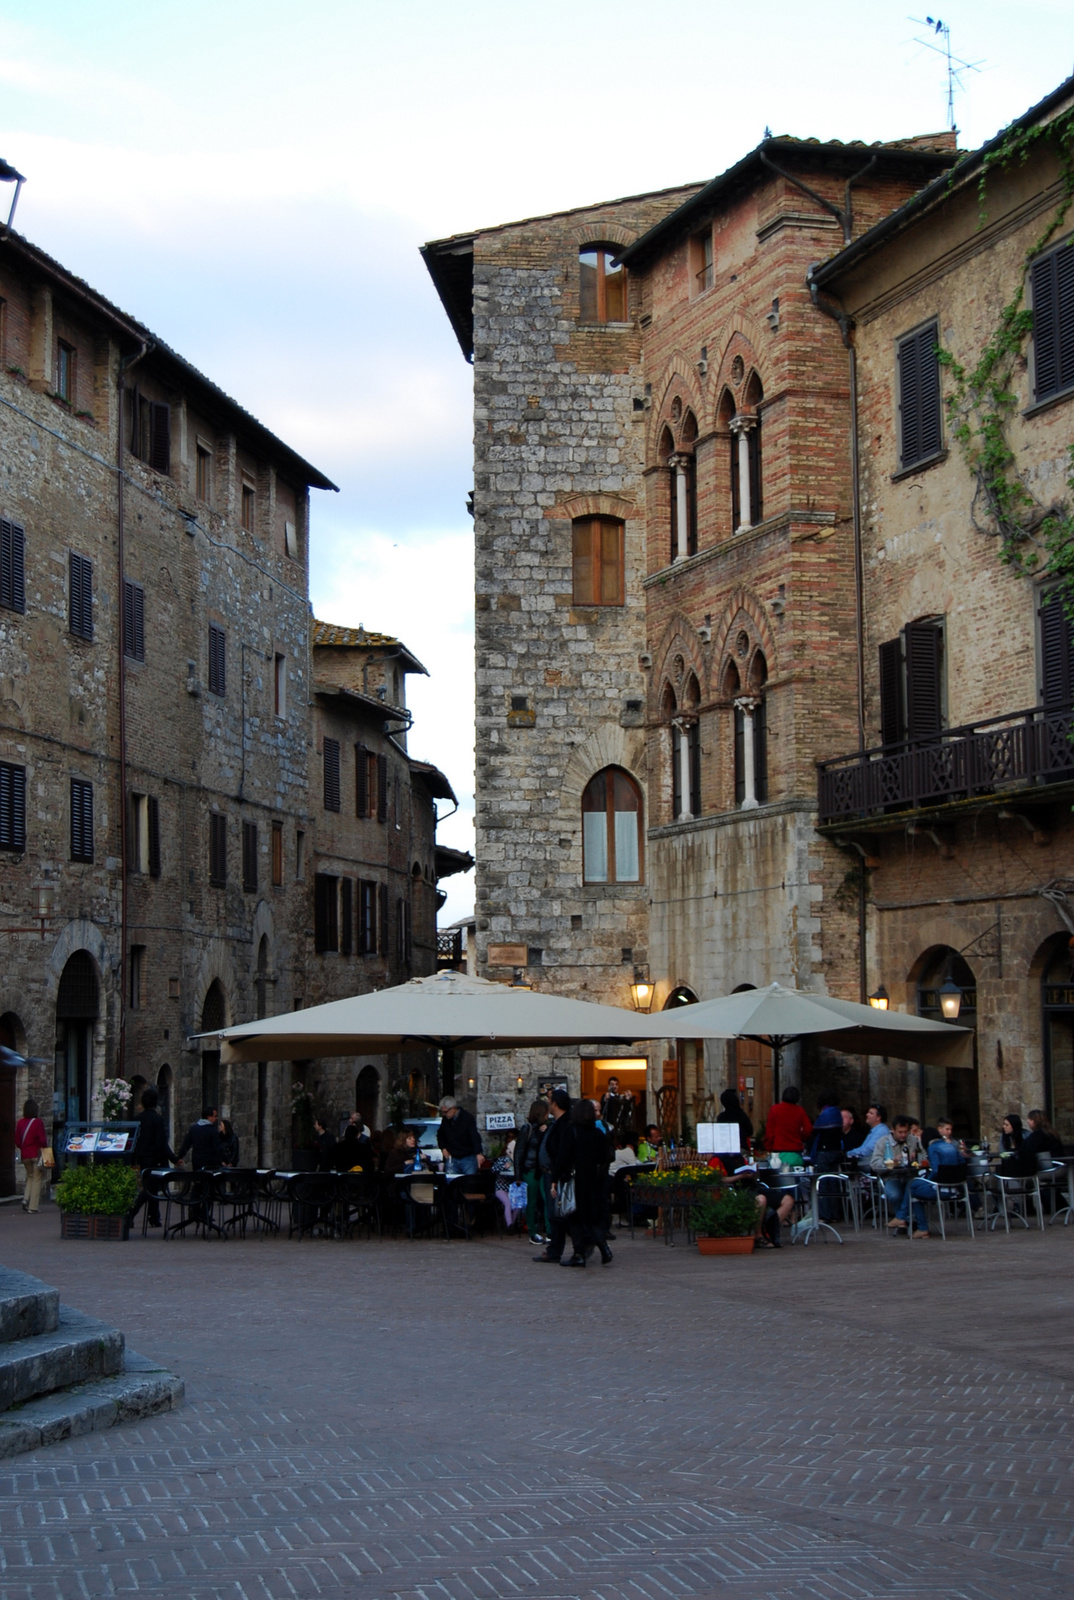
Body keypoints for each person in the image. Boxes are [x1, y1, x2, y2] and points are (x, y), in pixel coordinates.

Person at [553, 1097, 614, 1267]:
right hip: (592, 1180)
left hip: (575, 1180)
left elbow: (562, 1157)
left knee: (574, 1218)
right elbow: (604, 1157)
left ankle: (579, 1254)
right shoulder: (597, 1134)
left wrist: (554, 1178)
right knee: (591, 1218)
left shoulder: (572, 1131)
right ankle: (604, 1249)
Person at [534, 1088, 572, 1263]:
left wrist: (556, 1178)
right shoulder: (555, 1124)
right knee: (554, 1213)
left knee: (558, 1213)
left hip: (556, 1175)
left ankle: (556, 1249)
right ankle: (554, 1249)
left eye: (550, 1101)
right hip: (550, 1173)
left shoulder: (565, 1125)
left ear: (555, 1104)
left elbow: (561, 1153)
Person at [129, 1087, 175, 1229]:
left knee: (152, 1188)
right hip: (155, 1159)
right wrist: (173, 1158)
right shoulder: (157, 1120)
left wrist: (133, 1159)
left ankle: (154, 1217)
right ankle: (131, 1213)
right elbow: (162, 1143)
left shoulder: (137, 1120)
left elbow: (133, 1141)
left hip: (142, 1158)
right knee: (149, 1189)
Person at [873, 1115, 926, 1232]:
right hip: (892, 1176)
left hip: (910, 1175)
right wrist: (891, 1162)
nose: (903, 1135)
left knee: (913, 1189)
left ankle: (902, 1219)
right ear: (893, 1130)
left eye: (905, 1132)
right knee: (895, 1194)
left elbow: (924, 1158)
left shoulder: (913, 1140)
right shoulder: (883, 1142)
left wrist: (916, 1157)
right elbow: (874, 1164)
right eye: (900, 1132)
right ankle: (908, 1220)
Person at [513, 1100, 549, 1245]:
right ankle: (532, 1231)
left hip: (541, 1169)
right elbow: (519, 1153)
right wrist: (518, 1175)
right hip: (530, 1169)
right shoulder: (527, 1129)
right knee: (532, 1202)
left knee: (547, 1200)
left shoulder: (547, 1128)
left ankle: (549, 1230)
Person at [15, 1098, 47, 1215]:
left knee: (30, 1177)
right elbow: (43, 1140)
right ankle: (33, 1206)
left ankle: (25, 1199)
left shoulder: (20, 1123)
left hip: (25, 1155)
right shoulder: (38, 1122)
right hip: (36, 1154)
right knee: (37, 1179)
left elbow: (18, 1141)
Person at [437, 1095, 483, 1176]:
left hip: (468, 1157)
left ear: (453, 1108)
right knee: (452, 1183)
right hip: (452, 1157)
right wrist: (443, 1148)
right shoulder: (445, 1120)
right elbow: (440, 1135)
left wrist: (478, 1153)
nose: (444, 1114)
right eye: (443, 1112)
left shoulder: (467, 1118)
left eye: (446, 1111)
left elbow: (474, 1136)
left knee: (469, 1183)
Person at [763, 1087, 813, 1156]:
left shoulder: (774, 1109)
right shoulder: (800, 1111)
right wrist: (802, 1138)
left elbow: (769, 1132)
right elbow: (808, 1129)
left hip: (778, 1148)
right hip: (796, 1149)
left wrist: (768, 1147)